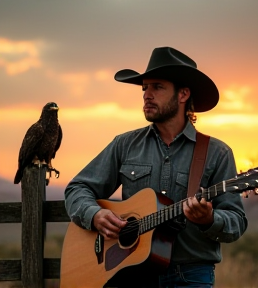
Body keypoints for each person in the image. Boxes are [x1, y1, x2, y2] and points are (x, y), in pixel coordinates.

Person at [64, 47, 248, 288]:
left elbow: (236, 221)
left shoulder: (217, 153)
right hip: (132, 275)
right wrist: (94, 215)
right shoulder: (125, 144)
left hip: (190, 276)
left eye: (157, 87)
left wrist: (209, 219)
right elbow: (78, 188)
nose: (147, 95)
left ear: (183, 94)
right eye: (144, 88)